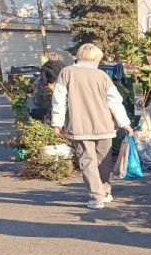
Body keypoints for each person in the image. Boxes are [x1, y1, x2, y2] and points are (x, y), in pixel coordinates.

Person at [51, 43, 133, 210]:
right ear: (96, 58)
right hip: (105, 126)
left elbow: (58, 100)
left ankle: (97, 197)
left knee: (87, 161)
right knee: (104, 161)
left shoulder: (67, 73)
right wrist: (125, 123)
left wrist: (57, 123)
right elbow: (115, 102)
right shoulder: (102, 76)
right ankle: (105, 191)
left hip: (79, 126)